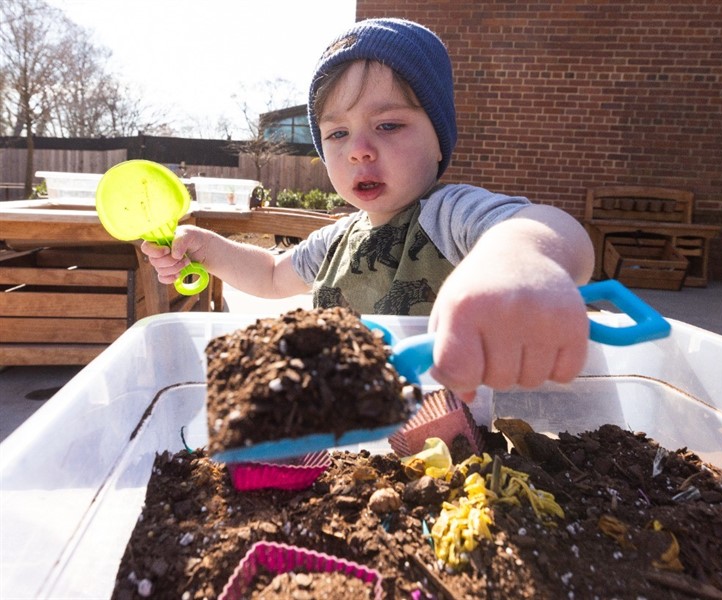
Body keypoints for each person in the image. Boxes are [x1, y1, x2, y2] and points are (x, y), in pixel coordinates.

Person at [141, 18, 595, 401]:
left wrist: (517, 264)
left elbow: (550, 227)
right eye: (337, 134)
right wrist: (208, 248)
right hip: (350, 433)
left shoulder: (450, 214)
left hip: (452, 446)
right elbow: (272, 274)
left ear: (439, 141)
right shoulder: (337, 240)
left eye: (389, 125)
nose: (359, 150)